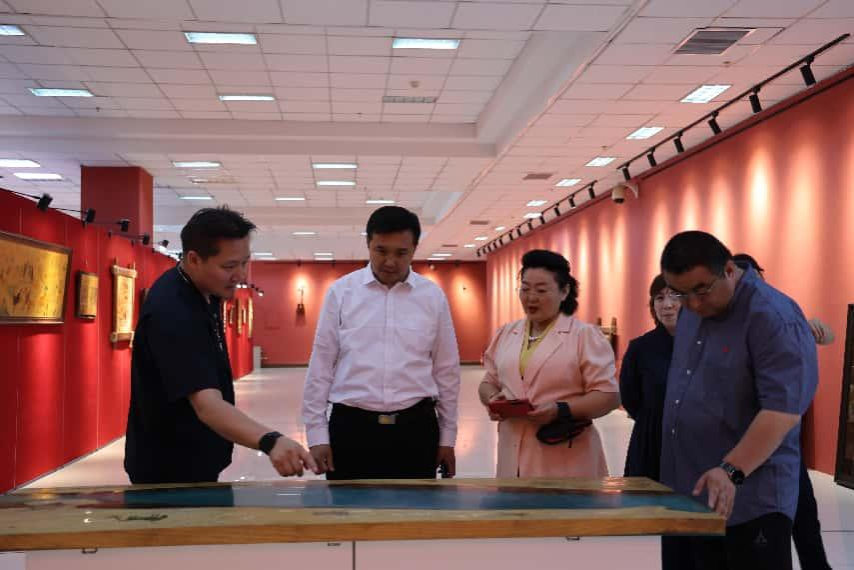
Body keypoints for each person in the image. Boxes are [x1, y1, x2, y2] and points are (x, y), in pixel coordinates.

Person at [660, 231, 818, 570]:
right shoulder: (690, 310)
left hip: (748, 500)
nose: (692, 305)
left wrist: (731, 470)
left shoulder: (772, 317)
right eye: (679, 293)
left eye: (701, 290)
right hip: (687, 491)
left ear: (729, 270)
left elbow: (782, 411)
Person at [125, 207, 317, 484]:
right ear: (194, 259)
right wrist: (270, 440)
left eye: (245, 263)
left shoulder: (206, 291)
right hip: (169, 471)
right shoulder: (173, 311)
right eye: (229, 266)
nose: (240, 275)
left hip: (195, 461)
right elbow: (207, 405)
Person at [302, 206, 461, 480]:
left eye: (401, 253)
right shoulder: (342, 293)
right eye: (381, 250)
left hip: (416, 430)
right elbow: (321, 366)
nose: (390, 261)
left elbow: (446, 370)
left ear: (414, 249)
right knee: (347, 507)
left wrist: (447, 438)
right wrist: (316, 435)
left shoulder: (432, 297)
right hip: (351, 429)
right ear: (368, 244)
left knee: (415, 507)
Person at [478, 249, 619, 478]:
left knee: (561, 501)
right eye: (525, 289)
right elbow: (488, 382)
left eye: (541, 290)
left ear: (564, 292)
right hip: (512, 452)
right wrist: (492, 398)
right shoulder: (506, 333)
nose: (531, 297)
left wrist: (561, 410)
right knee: (514, 500)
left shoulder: (584, 336)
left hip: (566, 454)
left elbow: (608, 396)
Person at [733, 252, 833, 570]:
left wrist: (816, 328)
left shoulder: (780, 316)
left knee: (805, 518)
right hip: (748, 446)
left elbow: (828, 336)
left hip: (784, 447)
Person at [620, 275, 680, 481]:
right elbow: (630, 397)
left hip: (694, 439)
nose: (667, 305)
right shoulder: (640, 347)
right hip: (651, 438)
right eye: (659, 298)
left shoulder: (704, 344)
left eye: (675, 296)